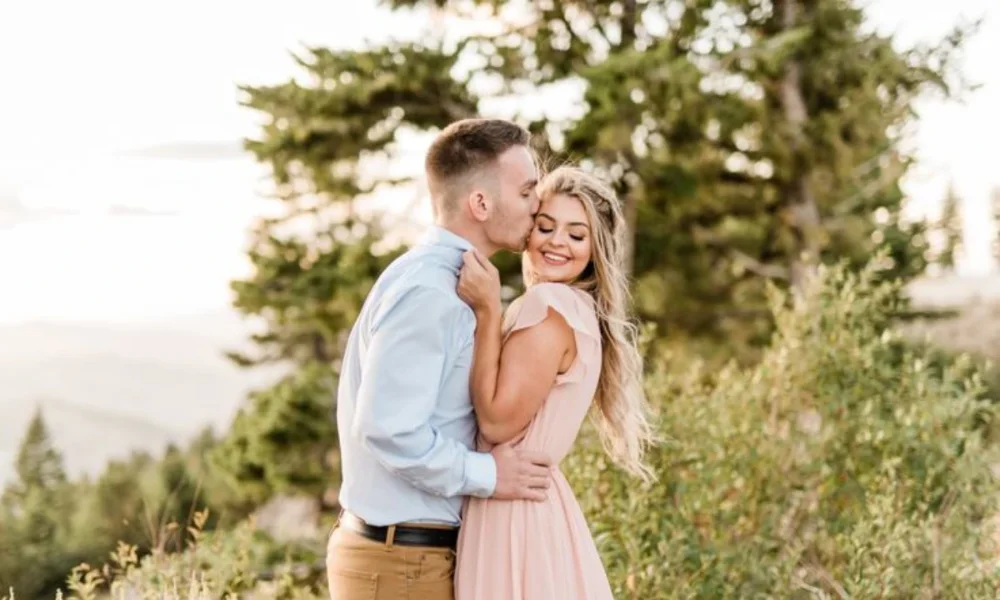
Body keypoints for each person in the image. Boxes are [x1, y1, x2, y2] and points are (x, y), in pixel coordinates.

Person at [325, 118, 556, 600]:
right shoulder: (432, 292)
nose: (538, 205)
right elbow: (387, 427)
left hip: (404, 559)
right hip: (402, 564)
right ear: (480, 203)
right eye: (527, 191)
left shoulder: (442, 278)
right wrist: (489, 474)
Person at [453, 166, 656, 600]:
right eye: (545, 227)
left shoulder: (549, 306)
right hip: (533, 507)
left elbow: (497, 424)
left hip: (512, 513)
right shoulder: (580, 311)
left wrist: (488, 310)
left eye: (576, 235)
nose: (557, 242)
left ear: (594, 250)